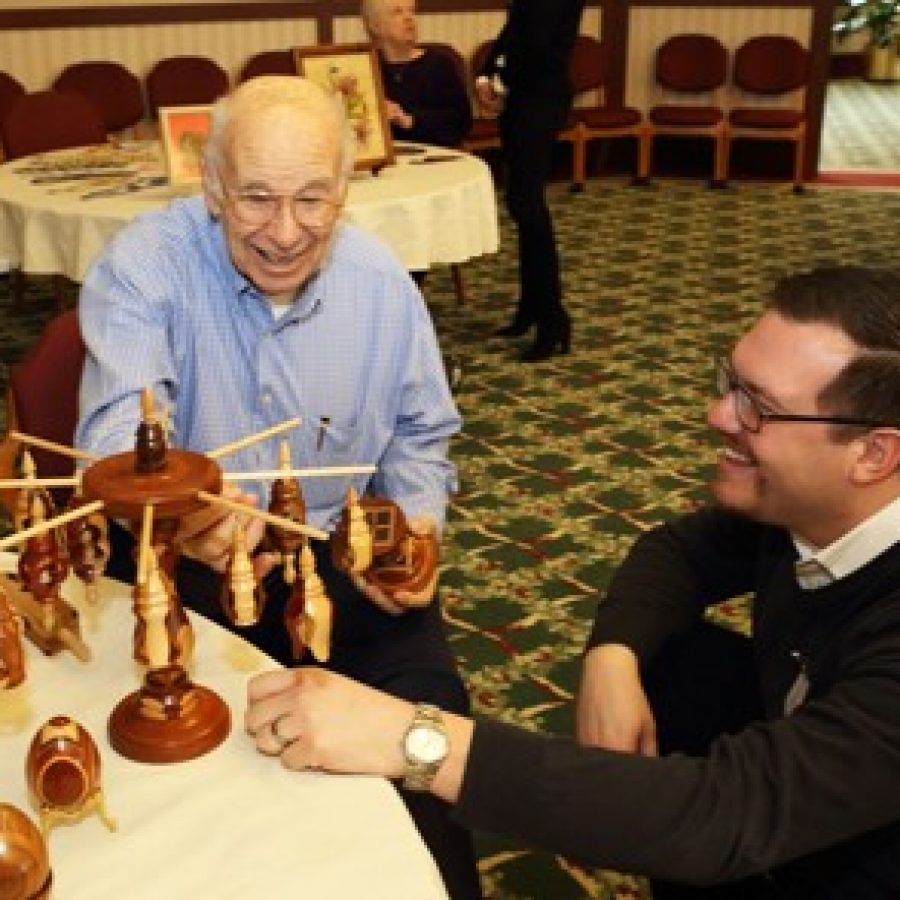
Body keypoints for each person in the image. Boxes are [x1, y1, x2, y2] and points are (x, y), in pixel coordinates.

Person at [245, 266, 900, 897]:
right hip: (821, 769)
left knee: (707, 818)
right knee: (669, 658)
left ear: (874, 454)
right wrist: (615, 656)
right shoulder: (804, 510)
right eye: (732, 382)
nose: (717, 414)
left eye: (758, 406)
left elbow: (722, 815)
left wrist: (414, 738)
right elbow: (679, 553)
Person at [75, 76, 482, 900]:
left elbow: (420, 435)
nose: (285, 232)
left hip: (344, 562)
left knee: (428, 760)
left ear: (344, 189)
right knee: (179, 815)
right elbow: (118, 437)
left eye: (311, 199)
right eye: (256, 198)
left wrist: (416, 531)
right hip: (185, 571)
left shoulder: (381, 284)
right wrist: (194, 522)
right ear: (212, 186)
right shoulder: (143, 270)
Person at [476, 1, 586, 363]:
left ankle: (553, 320)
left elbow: (536, 47)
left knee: (528, 204)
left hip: (540, 99)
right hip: (524, 98)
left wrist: (497, 81)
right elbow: (513, 32)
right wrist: (487, 74)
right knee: (521, 204)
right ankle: (531, 308)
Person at [362, 0, 472, 149]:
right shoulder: (365, 66)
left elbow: (461, 122)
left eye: (411, 11)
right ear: (375, 26)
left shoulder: (439, 64)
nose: (408, 18)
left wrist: (409, 120)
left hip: (435, 157)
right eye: (397, 12)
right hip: (384, 160)